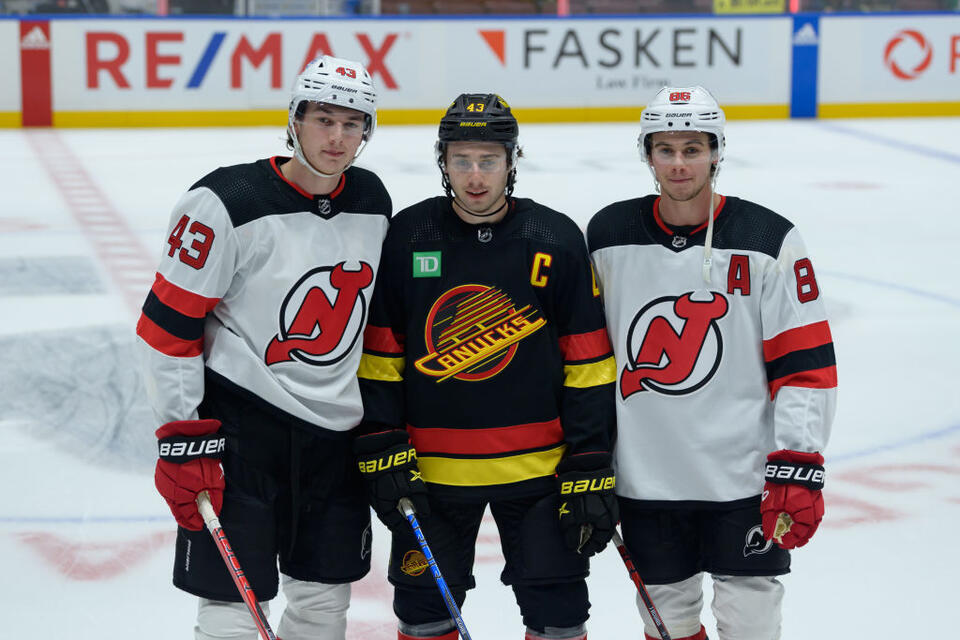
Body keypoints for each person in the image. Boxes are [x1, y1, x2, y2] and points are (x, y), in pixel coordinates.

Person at [135, 55, 391, 640]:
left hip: (335, 438)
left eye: (352, 124)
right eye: (323, 120)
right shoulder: (225, 201)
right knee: (232, 608)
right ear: (294, 120)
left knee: (324, 603)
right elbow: (166, 327)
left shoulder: (372, 199)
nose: (337, 137)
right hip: (243, 432)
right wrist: (183, 437)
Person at [354, 93, 619, 640]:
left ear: (512, 160)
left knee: (559, 616)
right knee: (424, 617)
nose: (475, 176)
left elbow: (589, 361)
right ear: (443, 161)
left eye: (488, 160)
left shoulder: (555, 239)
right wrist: (382, 440)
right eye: (462, 160)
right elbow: (381, 356)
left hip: (541, 475)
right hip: (432, 476)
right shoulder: (408, 236)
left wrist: (590, 456)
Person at [587, 86, 837, 640]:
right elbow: (586, 361)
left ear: (717, 152)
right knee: (668, 626)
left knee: (752, 625)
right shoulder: (607, 236)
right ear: (647, 154)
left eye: (693, 149)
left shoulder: (768, 238)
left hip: (743, 482)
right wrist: (587, 456)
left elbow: (805, 364)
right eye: (666, 149)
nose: (679, 164)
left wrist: (798, 461)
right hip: (646, 482)